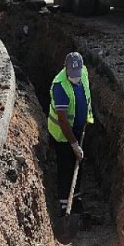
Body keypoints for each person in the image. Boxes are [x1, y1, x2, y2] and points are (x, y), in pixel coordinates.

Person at [48, 52, 94, 217]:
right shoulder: (60, 86)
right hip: (63, 133)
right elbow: (62, 120)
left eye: (77, 74)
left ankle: (75, 199)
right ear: (65, 68)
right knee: (66, 167)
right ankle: (63, 205)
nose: (75, 78)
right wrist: (74, 145)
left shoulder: (84, 73)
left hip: (78, 129)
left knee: (78, 163)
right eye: (72, 75)